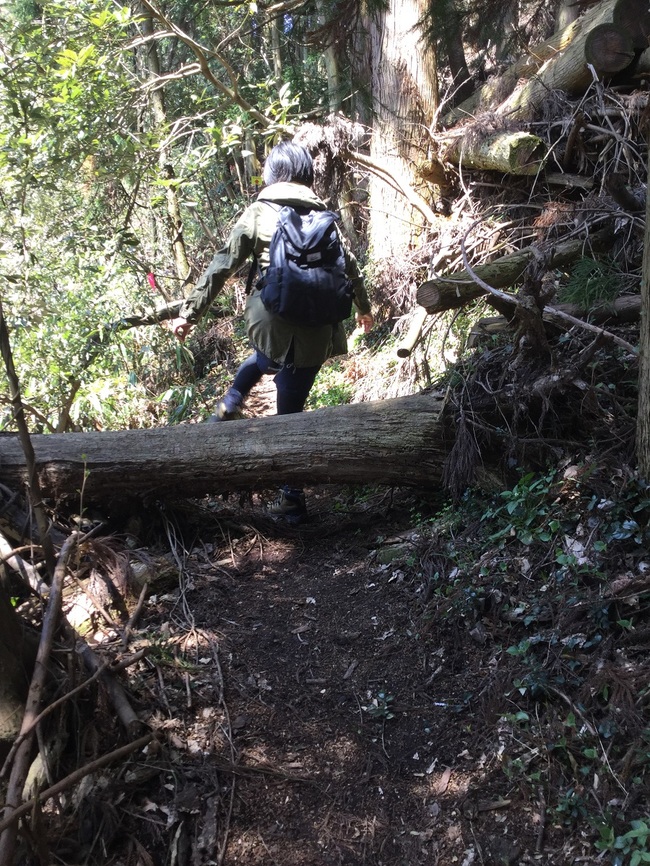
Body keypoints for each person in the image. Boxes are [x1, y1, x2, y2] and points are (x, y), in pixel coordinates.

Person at [168, 140, 373, 523]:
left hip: (271, 319)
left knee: (268, 361)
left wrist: (189, 313)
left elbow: (222, 265)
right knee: (291, 402)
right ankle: (290, 496)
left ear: (272, 175)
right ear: (307, 175)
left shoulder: (259, 212)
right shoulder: (325, 216)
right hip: (319, 326)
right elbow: (352, 269)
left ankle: (232, 407)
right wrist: (365, 310)